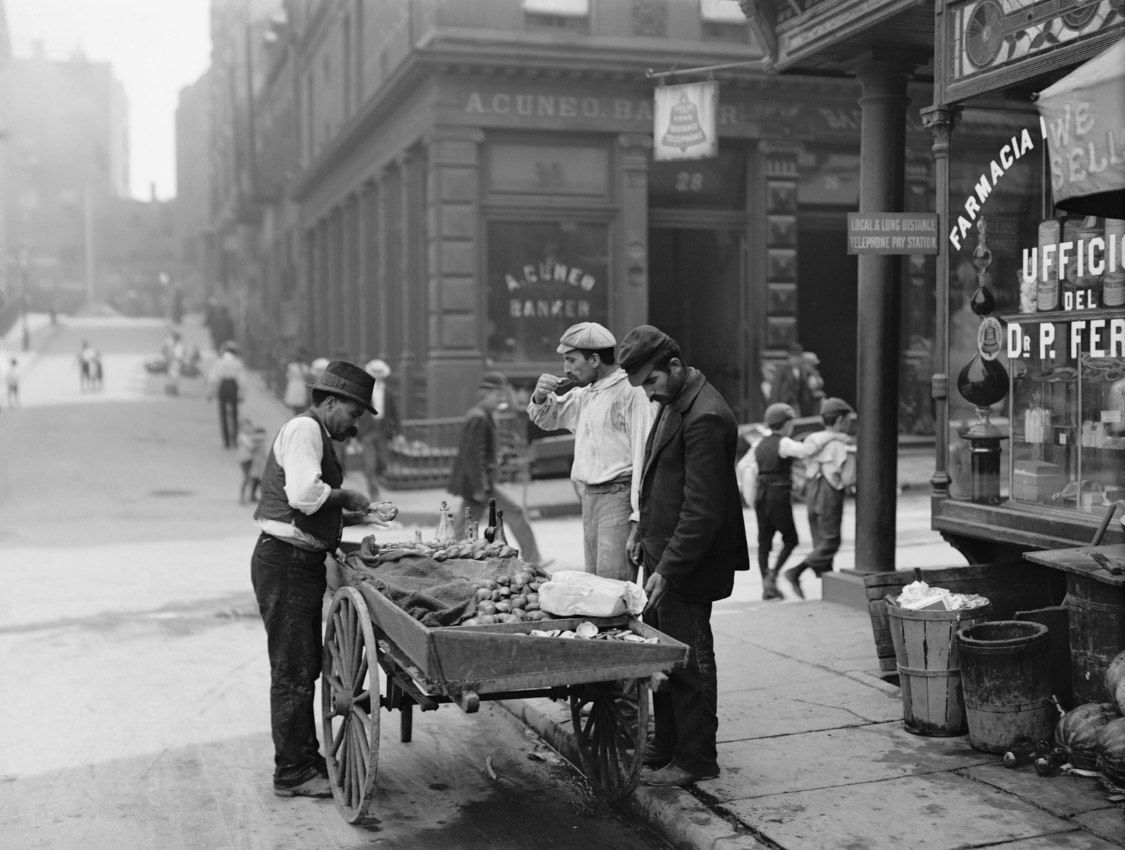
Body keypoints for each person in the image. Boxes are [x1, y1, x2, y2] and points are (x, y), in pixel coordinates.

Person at [250, 360, 391, 799]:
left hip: (297, 561)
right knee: (294, 670)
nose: (355, 423)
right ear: (330, 402)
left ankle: (304, 759)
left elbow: (311, 507)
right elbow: (304, 497)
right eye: (353, 413)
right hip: (287, 562)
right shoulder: (305, 431)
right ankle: (292, 773)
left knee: (304, 665)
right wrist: (349, 495)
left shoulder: (317, 434)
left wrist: (358, 514)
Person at [619, 325, 749, 788]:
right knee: (662, 653)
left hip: (687, 564)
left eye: (651, 382)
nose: (649, 394)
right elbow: (662, 478)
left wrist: (668, 569)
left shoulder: (706, 415)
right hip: (663, 553)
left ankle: (695, 758)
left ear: (674, 366)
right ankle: (667, 744)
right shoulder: (676, 400)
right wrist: (642, 532)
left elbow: (702, 511)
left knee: (690, 660)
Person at [528, 322, 655, 583]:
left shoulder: (631, 393)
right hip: (591, 497)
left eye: (571, 360)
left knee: (614, 587)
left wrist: (638, 518)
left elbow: (646, 457)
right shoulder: (587, 394)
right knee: (596, 585)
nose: (566, 369)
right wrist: (540, 396)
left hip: (618, 497)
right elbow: (549, 418)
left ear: (595, 359)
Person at [743, 402, 849, 600]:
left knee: (763, 542)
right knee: (791, 539)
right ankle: (775, 575)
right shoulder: (784, 443)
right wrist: (833, 436)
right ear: (787, 424)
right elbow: (806, 451)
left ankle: (767, 583)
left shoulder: (759, 443)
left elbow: (744, 466)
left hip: (761, 496)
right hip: (778, 495)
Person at [448, 371, 547, 567]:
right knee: (510, 512)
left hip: (481, 481)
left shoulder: (485, 415)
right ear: (484, 393)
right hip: (479, 483)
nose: (500, 399)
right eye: (497, 394)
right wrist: (479, 486)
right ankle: (533, 558)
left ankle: (450, 558)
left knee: (466, 521)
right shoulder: (478, 417)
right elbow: (472, 456)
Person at [782, 398, 856, 599]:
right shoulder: (841, 445)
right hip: (828, 493)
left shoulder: (812, 440)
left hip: (811, 493)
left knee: (820, 542)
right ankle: (795, 571)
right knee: (831, 541)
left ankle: (827, 588)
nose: (849, 424)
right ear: (840, 420)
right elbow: (849, 478)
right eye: (848, 419)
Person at [356, 359, 400, 498]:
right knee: (370, 465)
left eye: (379, 373)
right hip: (367, 432)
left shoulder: (388, 392)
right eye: (374, 373)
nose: (376, 376)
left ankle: (377, 482)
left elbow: (395, 413)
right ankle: (373, 492)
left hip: (382, 431)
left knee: (383, 463)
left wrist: (399, 433)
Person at [764, 343, 825, 417]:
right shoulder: (782, 370)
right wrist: (774, 406)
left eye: (798, 357)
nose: (796, 360)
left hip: (798, 404)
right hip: (785, 402)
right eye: (794, 357)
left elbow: (808, 384)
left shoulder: (802, 370)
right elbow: (776, 389)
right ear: (789, 358)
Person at [207, 341, 246, 449]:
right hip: (233, 386)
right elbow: (242, 379)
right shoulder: (237, 362)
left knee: (223, 414)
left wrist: (210, 392)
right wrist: (241, 393)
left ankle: (226, 441)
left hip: (223, 386)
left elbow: (213, 378)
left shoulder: (219, 362)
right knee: (234, 413)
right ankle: (235, 439)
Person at [283, 349, 311, 415]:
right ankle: (296, 413)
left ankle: (296, 413)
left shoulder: (293, 366)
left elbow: (287, 376)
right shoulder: (296, 366)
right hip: (297, 384)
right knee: (297, 401)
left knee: (298, 401)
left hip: (295, 384)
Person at [236, 418, 257, 504]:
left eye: (249, 426)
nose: (248, 428)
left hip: (250, 458)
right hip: (244, 459)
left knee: (252, 477)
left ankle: (251, 495)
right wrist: (257, 443)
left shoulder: (249, 435)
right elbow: (250, 446)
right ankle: (242, 496)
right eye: (246, 427)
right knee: (246, 477)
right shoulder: (242, 436)